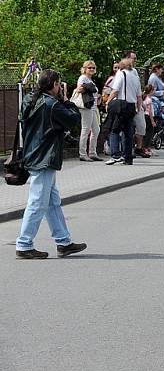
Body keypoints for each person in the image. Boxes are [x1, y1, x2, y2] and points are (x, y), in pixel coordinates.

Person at [15, 69, 86, 259]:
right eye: (59, 84)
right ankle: (24, 244)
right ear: (54, 85)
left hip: (33, 154)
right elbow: (73, 119)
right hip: (44, 158)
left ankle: (64, 242)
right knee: (37, 202)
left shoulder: (30, 100)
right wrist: (65, 99)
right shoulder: (51, 105)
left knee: (53, 202)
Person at [106, 57, 141, 165]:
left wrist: (108, 102)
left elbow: (115, 90)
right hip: (131, 106)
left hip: (121, 104)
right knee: (128, 132)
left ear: (121, 66)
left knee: (114, 129)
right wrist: (138, 108)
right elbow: (139, 96)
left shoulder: (121, 74)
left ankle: (115, 155)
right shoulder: (135, 77)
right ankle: (128, 157)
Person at [76, 60, 102, 161]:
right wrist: (89, 88)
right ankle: (82, 154)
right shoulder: (83, 78)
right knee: (85, 129)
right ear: (85, 69)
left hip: (93, 107)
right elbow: (79, 89)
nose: (91, 69)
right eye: (89, 68)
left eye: (93, 68)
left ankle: (92, 152)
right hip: (86, 107)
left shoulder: (90, 79)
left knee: (96, 130)